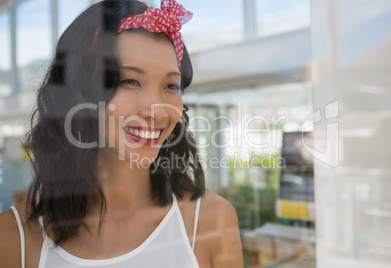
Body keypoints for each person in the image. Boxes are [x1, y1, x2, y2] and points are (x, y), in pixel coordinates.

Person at [0, 0, 243, 267]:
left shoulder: (212, 221)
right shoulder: (12, 237)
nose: (157, 112)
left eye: (171, 85)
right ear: (76, 94)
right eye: (129, 81)